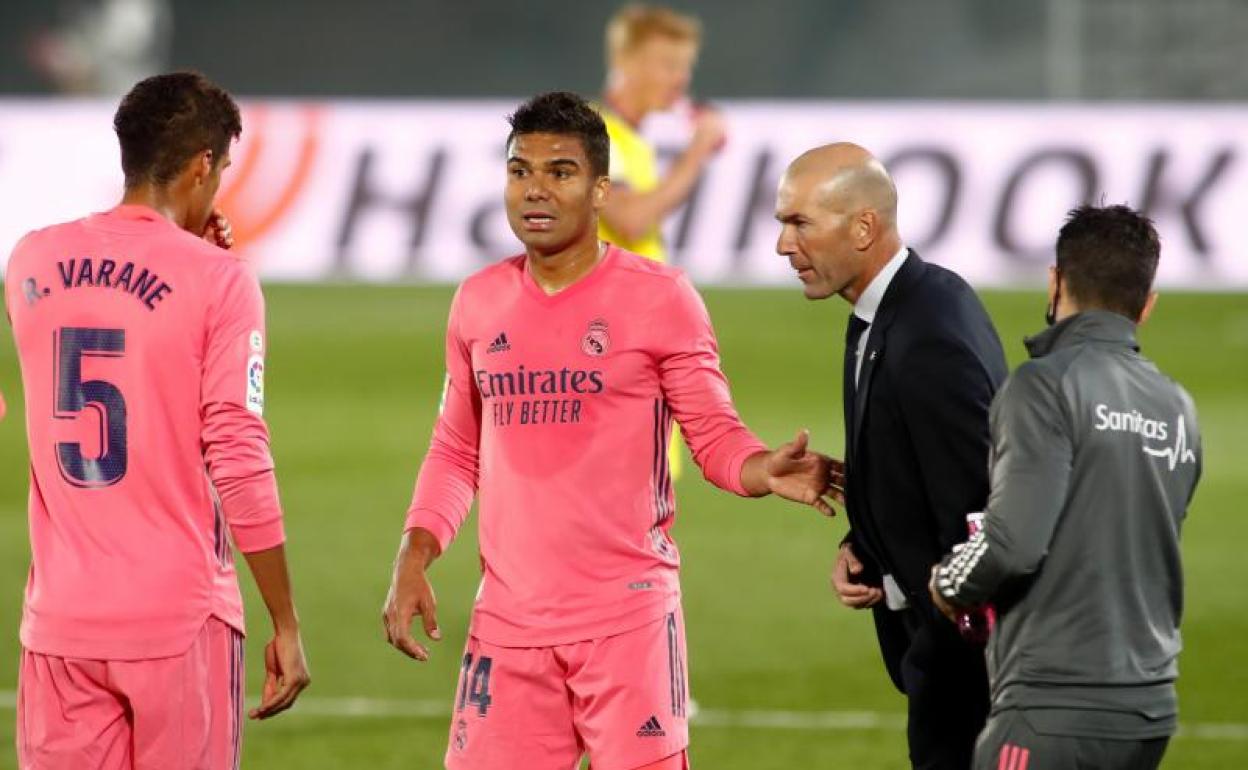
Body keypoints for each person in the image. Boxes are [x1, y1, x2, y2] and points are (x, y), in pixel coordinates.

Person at [382, 91, 834, 770]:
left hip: (627, 624)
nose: (535, 190)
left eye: (559, 172)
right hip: (508, 626)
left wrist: (762, 468)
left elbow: (713, 436)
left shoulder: (661, 298)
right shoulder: (478, 302)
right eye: (519, 171)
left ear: (600, 191)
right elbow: (455, 448)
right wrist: (414, 556)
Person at [4, 71, 310, 769]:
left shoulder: (30, 260)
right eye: (223, 169)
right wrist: (285, 621)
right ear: (203, 166)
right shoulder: (220, 280)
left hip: (60, 627)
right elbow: (236, 453)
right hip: (178, 621)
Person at [930, 204, 1202, 770]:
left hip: (1052, 705)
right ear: (1146, 306)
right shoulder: (1177, 406)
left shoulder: (1043, 386)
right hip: (1149, 706)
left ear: (1055, 280)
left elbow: (1012, 544)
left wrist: (949, 582)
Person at [774, 142, 1008, 769]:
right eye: (781, 224)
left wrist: (946, 636)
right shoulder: (893, 312)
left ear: (863, 227)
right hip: (939, 644)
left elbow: (980, 511)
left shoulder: (927, 334)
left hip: (966, 661)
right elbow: (915, 465)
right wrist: (864, 547)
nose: (782, 246)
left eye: (799, 223)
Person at [598, 4, 725, 482]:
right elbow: (630, 218)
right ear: (628, 62)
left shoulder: (634, 143)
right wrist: (698, 150)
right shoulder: (595, 133)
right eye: (669, 65)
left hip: (641, 340)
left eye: (685, 67)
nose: (680, 79)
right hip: (612, 348)